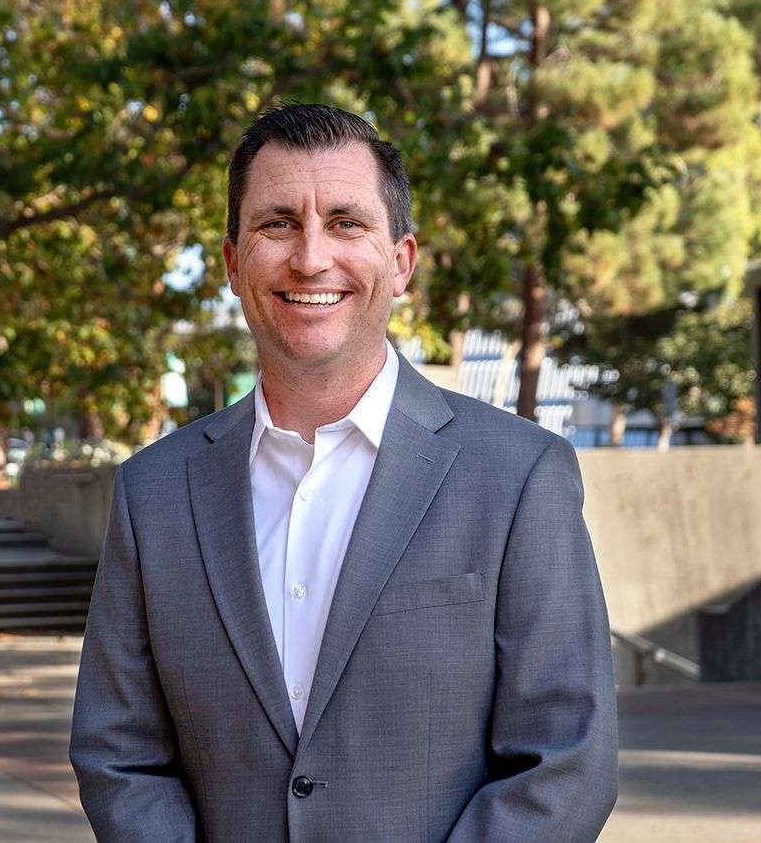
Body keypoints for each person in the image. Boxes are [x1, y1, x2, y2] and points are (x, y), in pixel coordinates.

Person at [70, 103, 617, 841]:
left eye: (346, 222)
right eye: (277, 223)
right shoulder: (152, 494)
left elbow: (566, 762)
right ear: (233, 263)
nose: (310, 256)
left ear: (401, 262)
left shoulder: (520, 477)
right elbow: (119, 753)